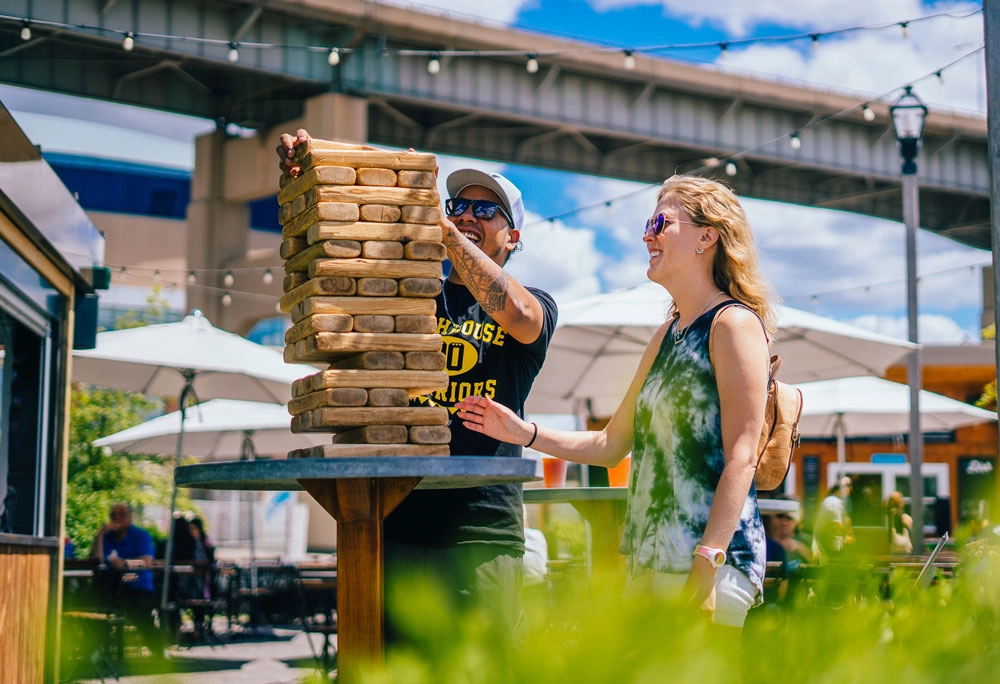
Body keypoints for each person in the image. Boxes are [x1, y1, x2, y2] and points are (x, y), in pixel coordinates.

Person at [458, 174, 776, 634]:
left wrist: (706, 564)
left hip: (708, 565)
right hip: (651, 564)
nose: (647, 233)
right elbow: (610, 445)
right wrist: (523, 432)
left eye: (661, 222)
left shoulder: (733, 324)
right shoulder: (668, 335)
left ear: (707, 237)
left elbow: (742, 457)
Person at [277, 131, 558, 638]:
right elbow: (349, 245)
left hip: (481, 528)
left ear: (513, 237)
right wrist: (312, 173)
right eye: (458, 206)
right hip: (394, 519)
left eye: (485, 211)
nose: (468, 215)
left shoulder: (534, 302)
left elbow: (518, 315)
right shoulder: (407, 297)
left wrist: (447, 232)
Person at [91, 502, 163, 658]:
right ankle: (98, 647)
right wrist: (100, 535)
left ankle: (158, 650)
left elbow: (147, 561)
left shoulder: (141, 535)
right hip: (110, 586)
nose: (117, 518)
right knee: (94, 601)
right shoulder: (107, 537)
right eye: (113, 515)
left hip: (138, 585)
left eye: (122, 514)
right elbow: (95, 560)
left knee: (138, 607)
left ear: (130, 516)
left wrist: (123, 563)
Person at [812, 477, 854, 565]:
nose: (850, 489)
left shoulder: (830, 501)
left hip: (826, 547)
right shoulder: (834, 503)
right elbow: (836, 525)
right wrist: (848, 539)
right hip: (830, 550)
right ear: (840, 489)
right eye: (848, 486)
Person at [885, 491, 913, 555]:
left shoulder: (887, 513)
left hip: (890, 544)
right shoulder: (900, 513)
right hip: (901, 543)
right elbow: (908, 522)